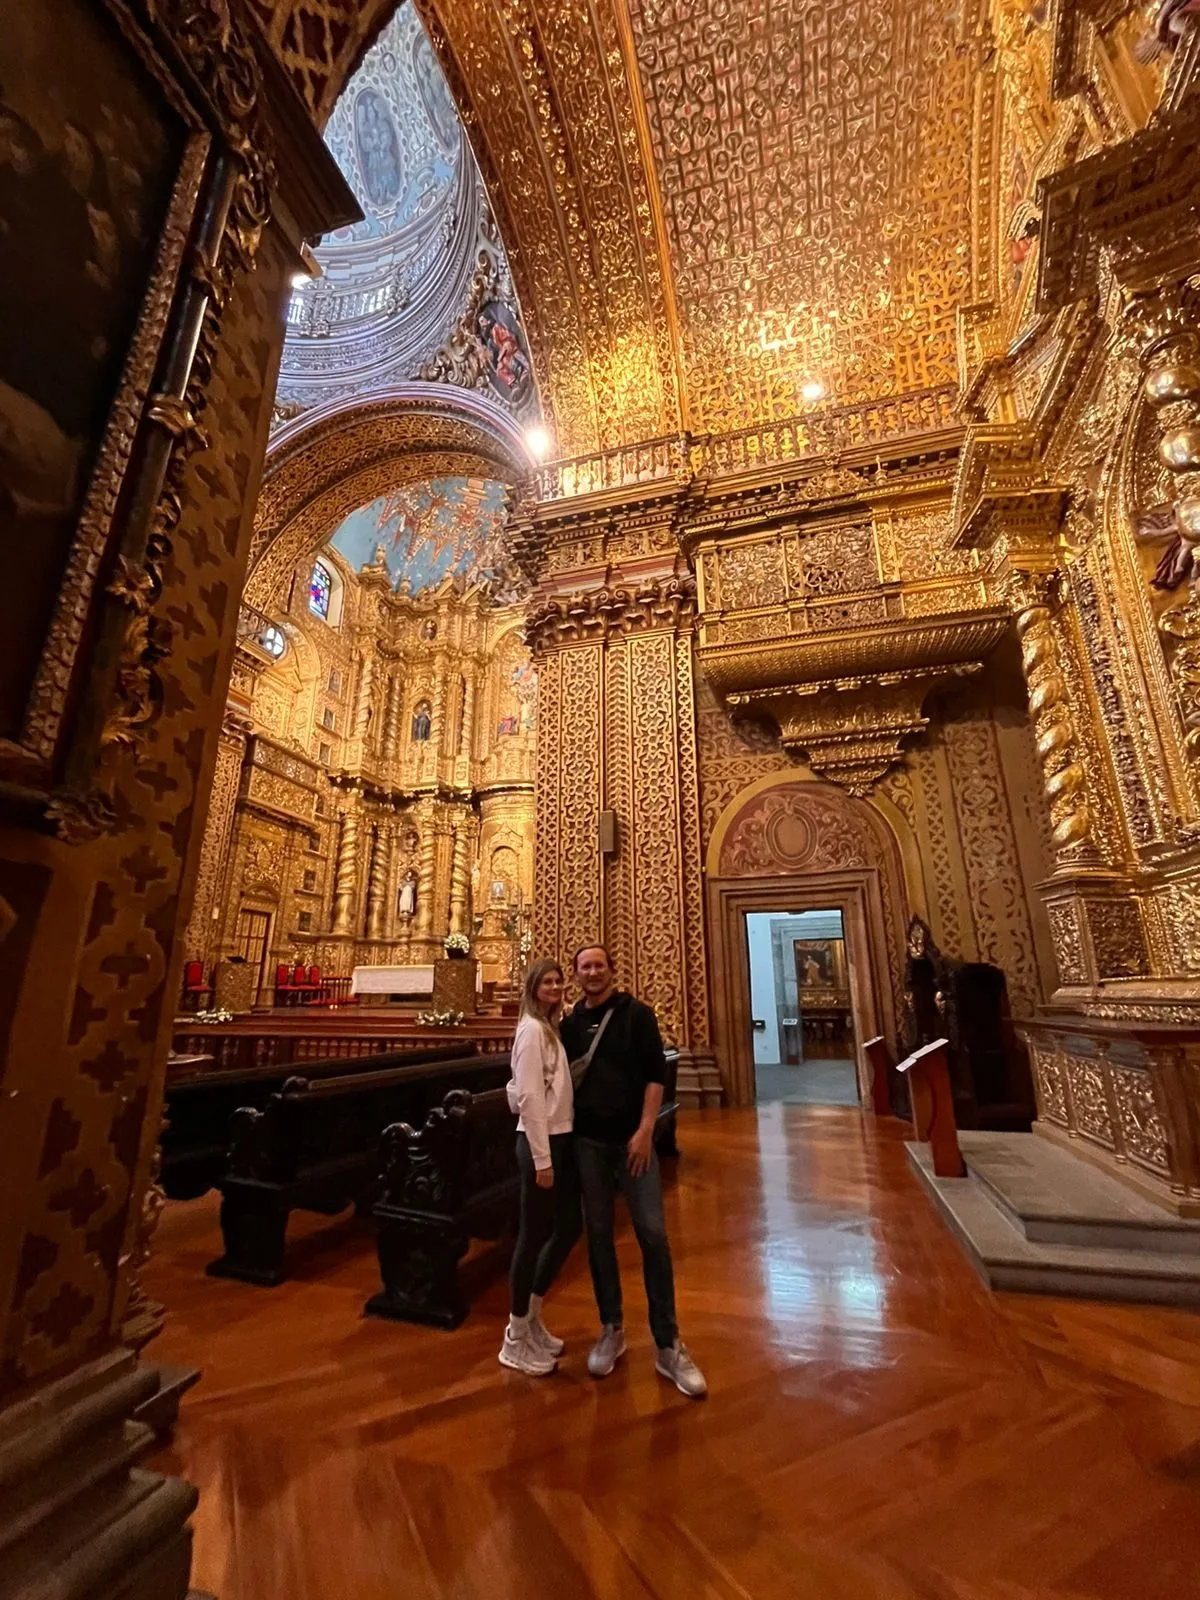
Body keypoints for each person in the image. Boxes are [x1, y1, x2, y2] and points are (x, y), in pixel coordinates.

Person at [561, 945, 707, 1399]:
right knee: (598, 1235)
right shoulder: (568, 1026)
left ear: (611, 970)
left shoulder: (637, 1015)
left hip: (633, 1144)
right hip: (588, 1144)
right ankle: (612, 1327)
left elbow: (655, 1076)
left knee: (653, 1235)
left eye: (598, 965)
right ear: (576, 975)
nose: (592, 972)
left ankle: (668, 1342)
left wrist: (646, 1131)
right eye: (584, 967)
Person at [499, 958, 581, 1376]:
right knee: (532, 1236)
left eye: (558, 981)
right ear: (533, 989)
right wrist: (542, 1158)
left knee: (568, 1226)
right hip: (540, 1143)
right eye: (546, 982)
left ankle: (531, 1317)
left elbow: (525, 1089)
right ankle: (514, 1338)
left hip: (558, 1137)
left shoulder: (549, 1027)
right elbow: (529, 1097)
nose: (555, 986)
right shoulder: (532, 1030)